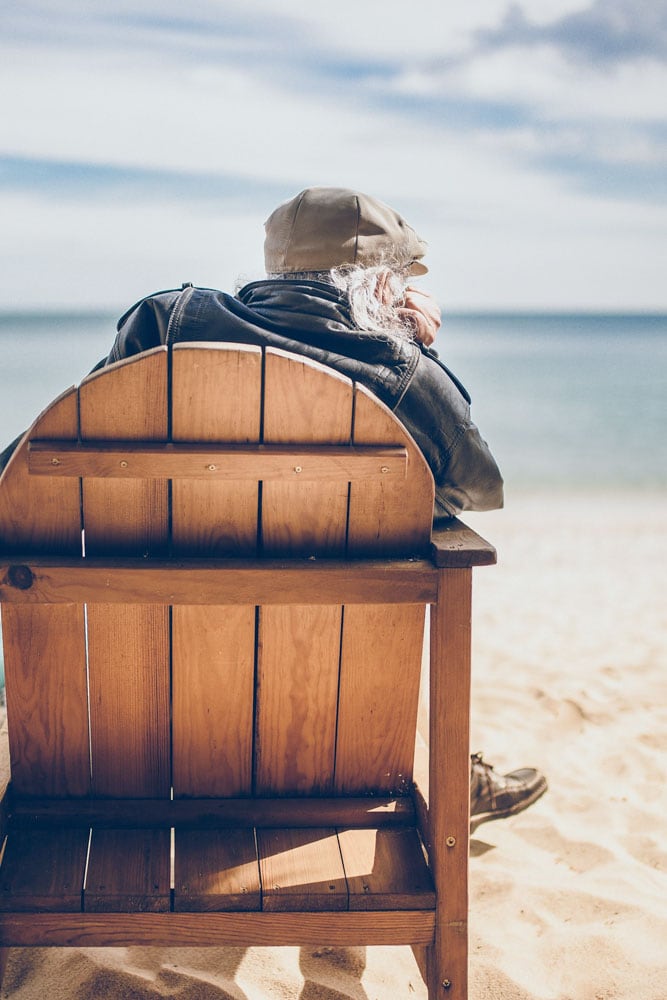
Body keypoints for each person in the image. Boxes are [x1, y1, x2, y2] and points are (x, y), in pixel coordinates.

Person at [0, 186, 547, 824]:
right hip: (327, 735)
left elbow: (26, 472)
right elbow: (478, 491)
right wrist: (420, 355)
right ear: (378, 285)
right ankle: (449, 782)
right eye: (400, 279)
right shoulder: (402, 376)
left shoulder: (166, 326)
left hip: (130, 727)